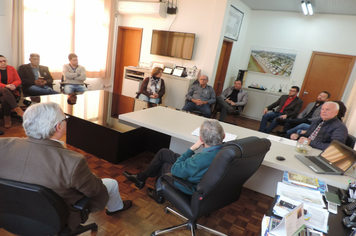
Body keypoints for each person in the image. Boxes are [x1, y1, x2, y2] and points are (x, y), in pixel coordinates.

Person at [0, 102, 132, 230]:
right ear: (58, 127)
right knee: (112, 183)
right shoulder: (72, 161)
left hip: (10, 212)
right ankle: (116, 208)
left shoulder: (2, 144)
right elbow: (93, 190)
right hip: (56, 218)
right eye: (65, 119)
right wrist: (89, 176)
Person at [123, 119, 225, 204]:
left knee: (164, 165)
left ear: (201, 139)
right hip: (198, 174)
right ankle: (141, 178)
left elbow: (175, 170)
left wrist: (191, 149)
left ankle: (157, 194)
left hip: (189, 185)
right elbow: (194, 164)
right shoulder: (226, 151)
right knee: (164, 153)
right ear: (223, 136)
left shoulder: (201, 159)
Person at [0, 55, 24, 130]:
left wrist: (13, 85)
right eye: (0, 61)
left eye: (4, 61)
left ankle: (7, 119)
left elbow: (18, 80)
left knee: (4, 98)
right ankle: (18, 110)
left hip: (9, 92)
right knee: (4, 89)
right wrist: (6, 86)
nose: (3, 63)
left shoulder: (11, 68)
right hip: (3, 89)